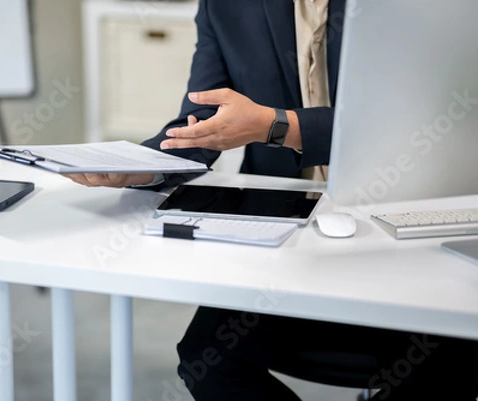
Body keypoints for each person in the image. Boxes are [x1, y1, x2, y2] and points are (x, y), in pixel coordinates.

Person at [65, 1, 478, 399]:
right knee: (206, 360)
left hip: (408, 233)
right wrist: (143, 167)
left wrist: (277, 126)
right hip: (286, 241)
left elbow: (422, 115)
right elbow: (202, 124)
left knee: (441, 366)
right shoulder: (224, 6)